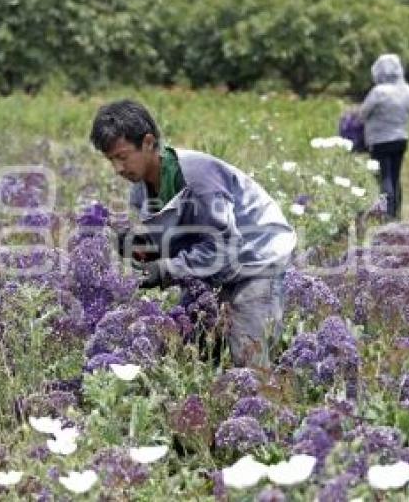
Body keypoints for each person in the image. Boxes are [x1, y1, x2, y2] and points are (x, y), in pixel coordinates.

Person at [90, 100, 296, 369]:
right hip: (213, 271)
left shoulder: (197, 177)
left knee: (249, 363)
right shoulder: (140, 189)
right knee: (190, 352)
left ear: (149, 142)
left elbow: (224, 247)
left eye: (122, 156)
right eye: (111, 160)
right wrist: (137, 246)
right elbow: (174, 241)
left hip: (256, 261)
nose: (117, 169)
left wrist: (164, 270)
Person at [359, 53, 409, 219]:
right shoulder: (407, 90)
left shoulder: (378, 92)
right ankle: (397, 211)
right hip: (401, 138)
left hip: (380, 140)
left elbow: (363, 113)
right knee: (396, 176)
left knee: (384, 177)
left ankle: (386, 213)